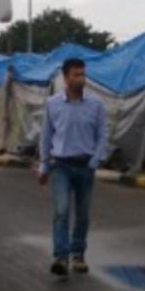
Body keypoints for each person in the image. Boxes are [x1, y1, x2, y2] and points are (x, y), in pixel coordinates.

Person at [37, 58, 109, 277]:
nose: (81, 79)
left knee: (83, 214)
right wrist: (44, 165)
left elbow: (103, 135)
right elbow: (46, 135)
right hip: (61, 165)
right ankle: (61, 256)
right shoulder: (53, 103)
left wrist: (95, 160)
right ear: (66, 77)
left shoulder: (96, 105)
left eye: (82, 74)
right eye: (76, 75)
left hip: (85, 165)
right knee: (61, 211)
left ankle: (78, 255)